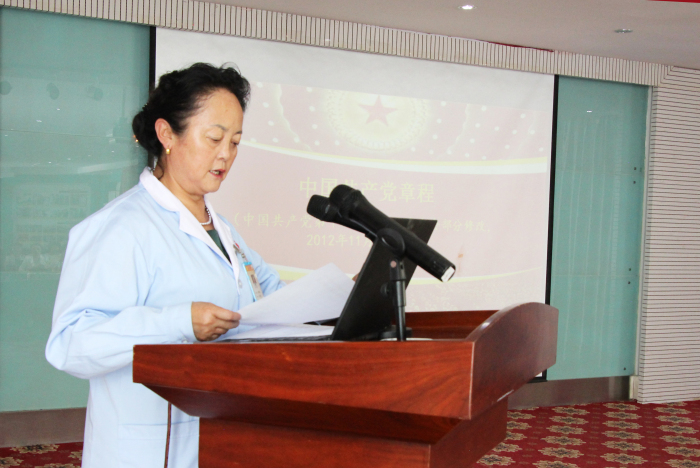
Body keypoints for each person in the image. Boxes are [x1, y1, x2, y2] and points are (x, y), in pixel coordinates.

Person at [45, 63, 285, 468]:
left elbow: (274, 299)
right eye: (214, 138)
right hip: (145, 452)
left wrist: (343, 300)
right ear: (167, 134)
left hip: (221, 441)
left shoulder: (225, 232)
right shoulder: (121, 227)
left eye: (236, 142)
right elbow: (70, 344)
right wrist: (178, 321)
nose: (226, 154)